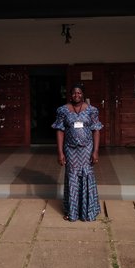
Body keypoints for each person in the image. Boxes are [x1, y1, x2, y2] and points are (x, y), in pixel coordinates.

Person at [52, 83, 103, 222]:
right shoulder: (63, 110)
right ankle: (72, 212)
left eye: (79, 93)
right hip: (70, 149)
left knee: (87, 177)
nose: (77, 95)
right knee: (72, 178)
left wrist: (96, 151)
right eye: (74, 93)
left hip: (87, 149)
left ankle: (88, 212)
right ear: (70, 95)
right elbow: (60, 130)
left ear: (83, 94)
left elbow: (96, 130)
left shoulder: (92, 110)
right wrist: (60, 152)